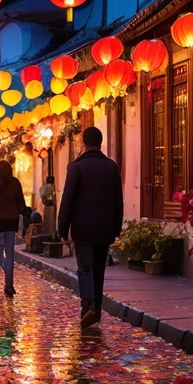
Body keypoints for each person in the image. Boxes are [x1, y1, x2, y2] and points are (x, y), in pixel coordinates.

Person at [57, 126, 124, 327]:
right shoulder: (111, 167)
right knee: (98, 270)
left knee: (85, 268)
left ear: (83, 143)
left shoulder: (76, 168)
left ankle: (89, 308)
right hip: (104, 228)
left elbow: (67, 200)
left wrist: (62, 228)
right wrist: (116, 229)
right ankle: (96, 312)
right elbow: (117, 201)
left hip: (83, 228)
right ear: (100, 143)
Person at [0, 159, 25, 298]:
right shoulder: (15, 183)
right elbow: (21, 202)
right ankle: (9, 285)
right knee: (10, 253)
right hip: (11, 221)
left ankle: (0, 272)